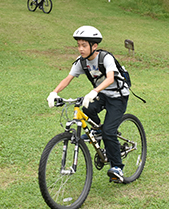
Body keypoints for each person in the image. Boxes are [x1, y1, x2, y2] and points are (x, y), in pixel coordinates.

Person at [46, 26, 129, 183]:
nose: (80, 49)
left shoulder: (105, 58)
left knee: (109, 132)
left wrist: (95, 91)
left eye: (84, 45)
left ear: (94, 46)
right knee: (86, 108)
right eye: (78, 45)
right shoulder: (81, 62)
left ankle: (117, 167)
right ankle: (97, 130)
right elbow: (68, 78)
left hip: (118, 95)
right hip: (102, 93)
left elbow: (110, 78)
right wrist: (54, 92)